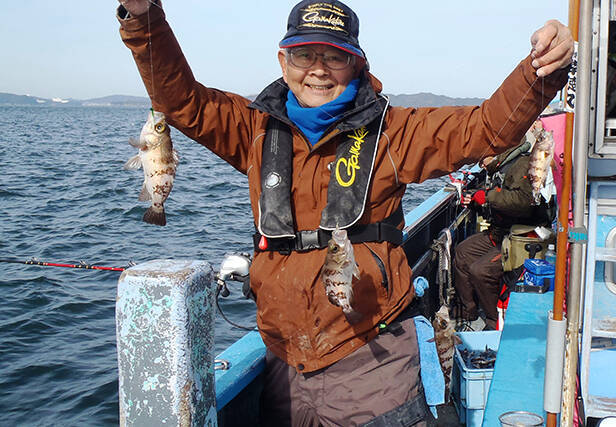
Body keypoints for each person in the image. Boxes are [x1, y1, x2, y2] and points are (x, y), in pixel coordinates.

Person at [116, 0, 573, 425]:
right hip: (283, 359)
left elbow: (485, 130)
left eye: (333, 56)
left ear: (356, 63)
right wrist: (142, 16)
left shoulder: (395, 132)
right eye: (303, 55)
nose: (317, 70)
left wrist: (541, 70)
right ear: (283, 62)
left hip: (371, 359)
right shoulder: (253, 127)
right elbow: (179, 102)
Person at [453, 123, 555, 332]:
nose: (481, 160)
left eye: (485, 153)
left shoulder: (522, 165)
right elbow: (499, 194)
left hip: (522, 238)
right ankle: (468, 312)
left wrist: (487, 197)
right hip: (501, 233)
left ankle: (493, 321)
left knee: (480, 270)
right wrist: (475, 198)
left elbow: (523, 202)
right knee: (462, 252)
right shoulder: (499, 168)